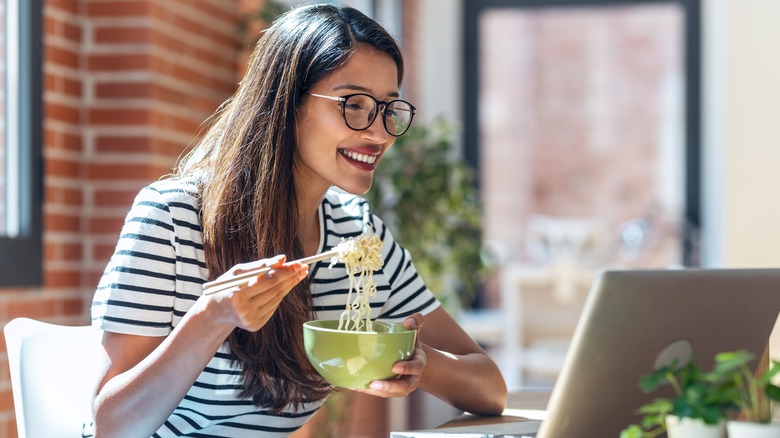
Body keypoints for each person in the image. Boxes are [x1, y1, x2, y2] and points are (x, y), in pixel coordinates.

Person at [89, 4, 507, 437]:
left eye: (387, 109)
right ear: (286, 103)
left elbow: (489, 388)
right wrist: (210, 319)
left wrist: (413, 357)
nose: (379, 133)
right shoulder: (173, 218)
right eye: (354, 104)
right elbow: (111, 425)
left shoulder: (359, 236)